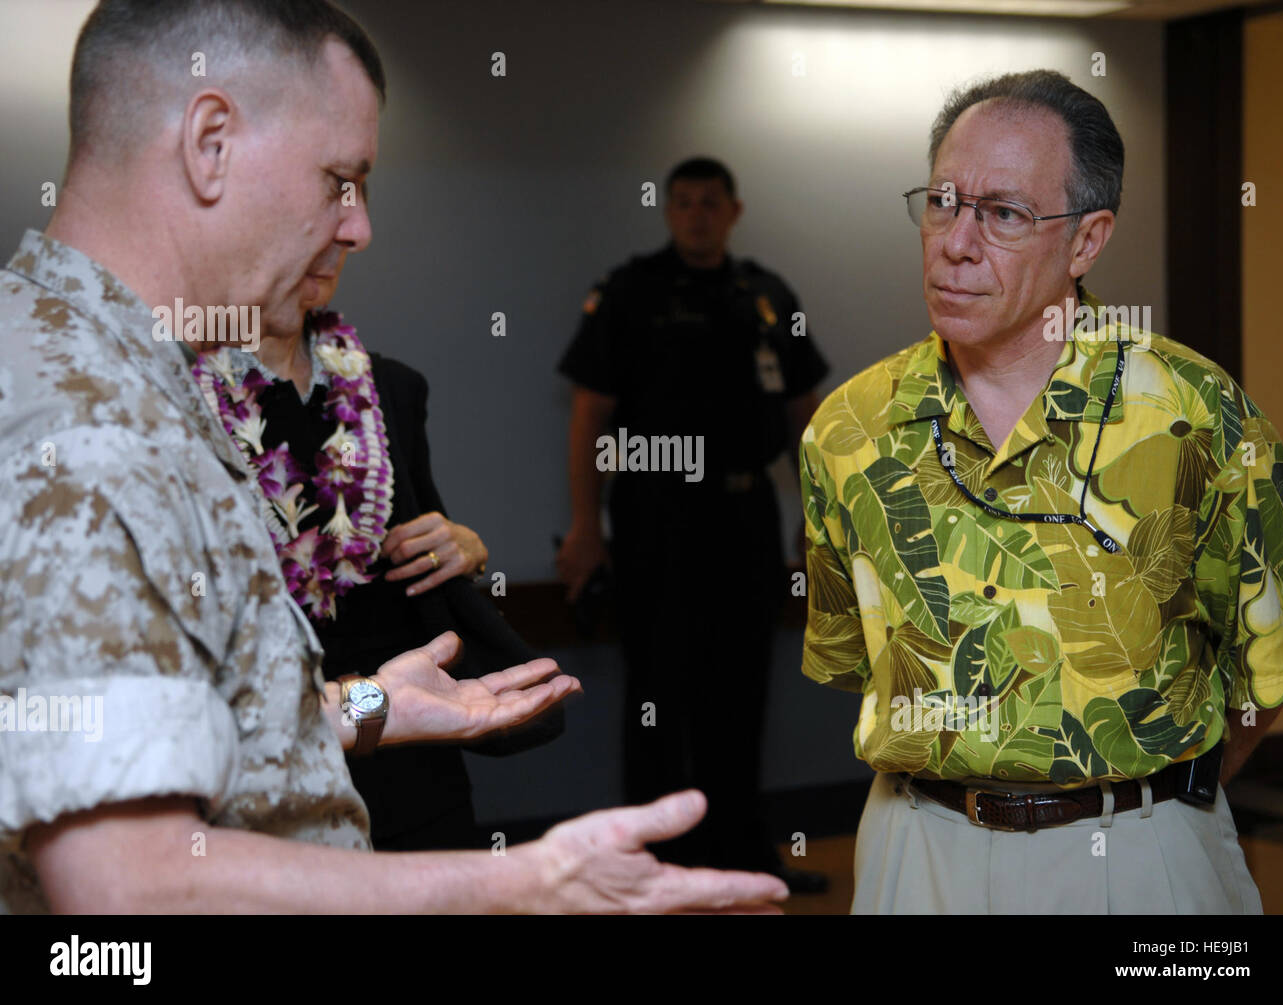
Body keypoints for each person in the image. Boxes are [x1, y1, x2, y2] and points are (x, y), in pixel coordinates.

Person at [0, 0, 788, 915]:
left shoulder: (82, 356)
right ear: (210, 141)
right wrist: (522, 884)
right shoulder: (92, 420)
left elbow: (147, 733)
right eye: (339, 178)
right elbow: (131, 890)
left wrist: (369, 705)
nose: (358, 227)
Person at [799, 68, 1283, 914]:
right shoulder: (849, 428)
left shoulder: (1194, 415)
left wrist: (1143, 791)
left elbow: (1264, 667)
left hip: (1143, 854)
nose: (956, 242)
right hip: (915, 850)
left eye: (1003, 213)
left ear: (1087, 240)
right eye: (943, 201)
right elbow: (851, 657)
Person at [192, 256, 562, 852]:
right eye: (329, 193)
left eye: (358, 193)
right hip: (259, 762)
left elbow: (426, 537)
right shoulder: (177, 394)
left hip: (405, 744)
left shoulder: (390, 388)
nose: (348, 230)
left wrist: (465, 549)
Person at [557, 157, 829, 887]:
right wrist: (585, 529)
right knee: (658, 695)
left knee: (741, 692)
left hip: (743, 515)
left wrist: (818, 516)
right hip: (656, 517)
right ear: (667, 210)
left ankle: (742, 851)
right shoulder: (631, 292)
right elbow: (590, 414)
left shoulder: (766, 296)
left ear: (734, 211)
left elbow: (808, 414)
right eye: (683, 202)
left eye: (711, 202)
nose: (697, 214)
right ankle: (648, 863)